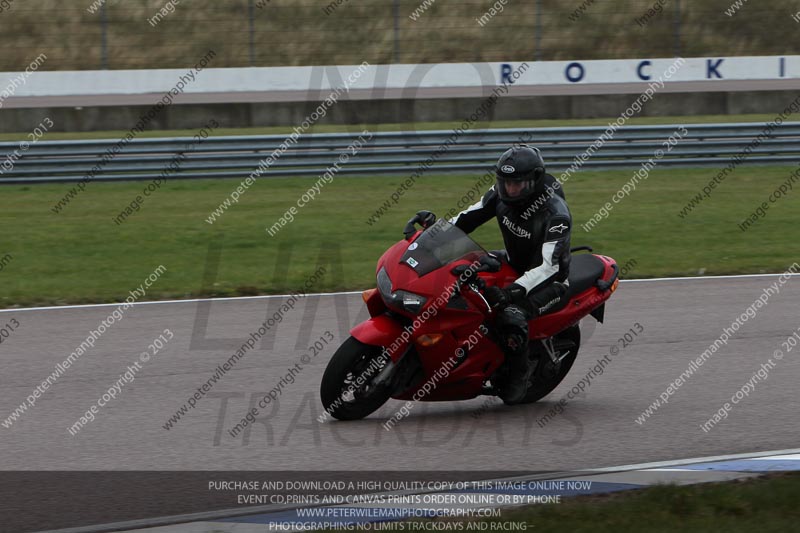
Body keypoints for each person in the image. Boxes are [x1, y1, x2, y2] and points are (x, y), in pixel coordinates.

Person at [420, 145, 572, 404]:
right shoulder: (500, 195)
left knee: (511, 316)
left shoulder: (556, 215)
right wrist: (431, 235)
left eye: (518, 184)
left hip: (550, 282)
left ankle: (519, 375)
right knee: (463, 276)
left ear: (534, 181)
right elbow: (467, 218)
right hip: (513, 263)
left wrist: (513, 291)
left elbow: (550, 267)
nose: (510, 190)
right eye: (505, 183)